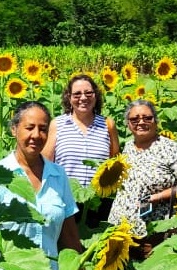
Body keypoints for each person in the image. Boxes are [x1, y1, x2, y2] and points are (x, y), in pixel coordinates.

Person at [0, 101, 87, 270]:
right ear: (14, 129)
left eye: (43, 129)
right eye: (29, 128)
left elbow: (69, 235)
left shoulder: (58, 175)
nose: (36, 135)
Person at [107, 100, 177, 270]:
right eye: (135, 119)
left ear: (156, 121)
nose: (141, 122)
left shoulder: (170, 148)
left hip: (152, 230)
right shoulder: (128, 147)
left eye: (147, 117)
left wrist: (158, 197)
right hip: (121, 229)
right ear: (128, 124)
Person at [43, 74, 120, 227]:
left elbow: (114, 162)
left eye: (88, 93)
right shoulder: (58, 124)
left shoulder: (107, 124)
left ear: (95, 96)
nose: (83, 98)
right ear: (69, 98)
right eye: (77, 94)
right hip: (65, 199)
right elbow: (46, 162)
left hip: (98, 202)